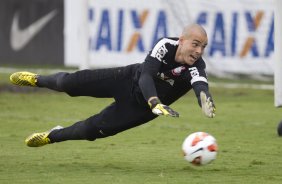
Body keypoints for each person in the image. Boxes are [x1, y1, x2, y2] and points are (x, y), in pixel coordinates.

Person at [10, 23, 216, 147]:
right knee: (69, 83)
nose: (199, 51)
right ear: (182, 40)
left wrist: (204, 98)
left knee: (90, 130)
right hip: (126, 80)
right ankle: (37, 79)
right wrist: (155, 101)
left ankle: (51, 136)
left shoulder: (196, 66)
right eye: (195, 44)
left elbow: (200, 84)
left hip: (138, 110)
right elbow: (146, 75)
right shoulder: (165, 45)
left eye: (203, 46)